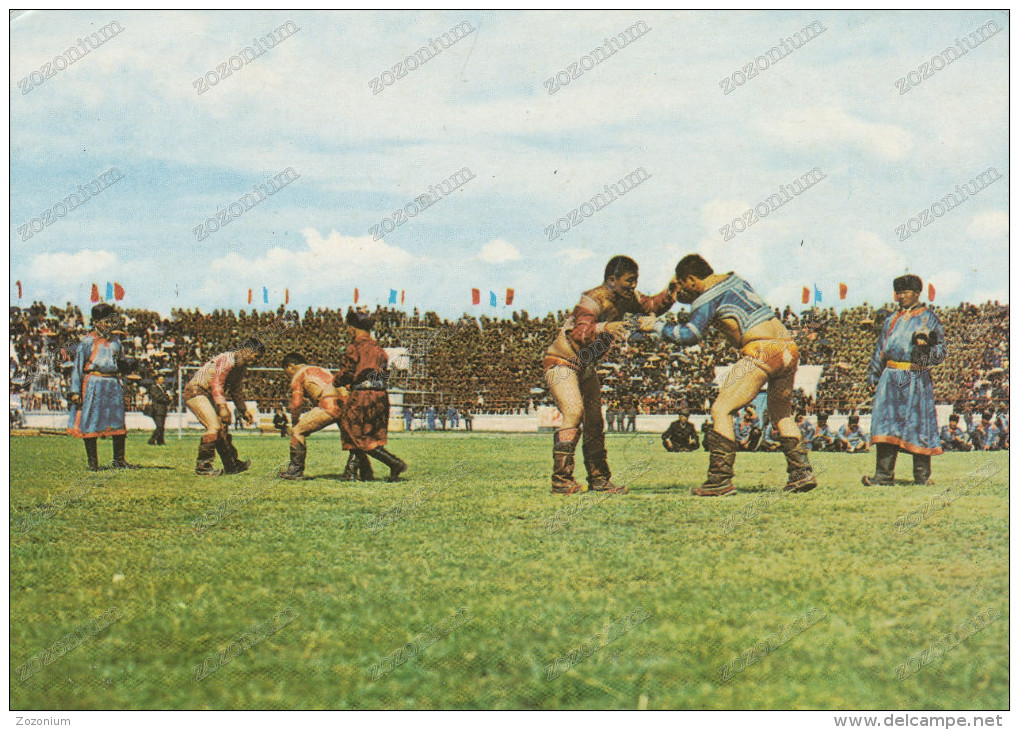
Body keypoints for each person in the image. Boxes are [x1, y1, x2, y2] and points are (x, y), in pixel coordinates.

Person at [640, 254, 817, 496]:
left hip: (763, 350)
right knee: (782, 415)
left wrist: (656, 326)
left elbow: (689, 335)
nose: (683, 291)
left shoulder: (706, 298)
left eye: (683, 284)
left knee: (721, 410)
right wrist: (676, 291)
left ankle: (719, 480)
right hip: (788, 347)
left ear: (691, 279)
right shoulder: (735, 280)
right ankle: (801, 472)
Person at [543, 255, 677, 494]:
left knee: (595, 423)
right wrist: (605, 327)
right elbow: (578, 333)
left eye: (636, 280)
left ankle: (599, 480)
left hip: (585, 367)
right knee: (574, 413)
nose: (634, 286)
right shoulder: (592, 299)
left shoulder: (629, 297)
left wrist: (671, 291)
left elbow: (652, 307)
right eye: (629, 281)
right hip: (561, 363)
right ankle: (561, 481)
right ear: (611, 280)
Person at [862, 274, 945, 486]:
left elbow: (941, 352)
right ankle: (883, 476)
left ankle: (921, 477)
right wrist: (873, 373)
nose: (900, 297)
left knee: (918, 425)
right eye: (898, 293)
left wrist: (926, 348)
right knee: (885, 425)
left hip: (915, 376)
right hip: (889, 378)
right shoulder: (891, 319)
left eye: (905, 292)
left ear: (916, 293)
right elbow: (880, 349)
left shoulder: (929, 317)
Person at [333, 310, 407, 482]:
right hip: (380, 395)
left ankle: (394, 463)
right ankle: (352, 472)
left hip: (362, 394)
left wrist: (335, 381)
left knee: (354, 432)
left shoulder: (354, 348)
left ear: (353, 328)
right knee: (367, 432)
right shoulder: (380, 350)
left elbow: (347, 373)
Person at [66, 303, 138, 470]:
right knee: (91, 421)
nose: (109, 325)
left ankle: (119, 461)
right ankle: (93, 463)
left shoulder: (116, 341)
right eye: (105, 321)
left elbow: (120, 363)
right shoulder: (87, 341)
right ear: (96, 322)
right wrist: (75, 392)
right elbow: (77, 367)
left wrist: (125, 374)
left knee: (117, 420)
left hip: (113, 383)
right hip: (94, 383)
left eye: (111, 321)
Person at [182, 338, 262, 476]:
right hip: (197, 391)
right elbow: (217, 383)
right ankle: (203, 466)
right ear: (247, 351)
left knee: (222, 430)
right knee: (214, 426)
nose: (257, 360)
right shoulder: (227, 359)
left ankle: (231, 464)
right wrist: (222, 406)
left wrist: (243, 410)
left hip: (208, 394)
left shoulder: (240, 367)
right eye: (256, 356)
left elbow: (236, 390)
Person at [278, 353, 346, 480]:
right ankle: (361, 470)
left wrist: (295, 421)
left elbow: (296, 403)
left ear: (291, 366)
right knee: (352, 440)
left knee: (297, 432)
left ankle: (295, 471)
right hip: (345, 403)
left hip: (328, 404)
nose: (288, 375)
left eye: (286, 371)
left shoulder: (298, 374)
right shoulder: (322, 369)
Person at [146, 374, 172, 446]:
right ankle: (152, 440)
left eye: (163, 379)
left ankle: (160, 441)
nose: (162, 381)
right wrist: (167, 398)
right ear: (156, 380)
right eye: (161, 379)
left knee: (162, 426)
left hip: (163, 409)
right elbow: (157, 397)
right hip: (157, 409)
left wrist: (169, 399)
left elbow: (166, 398)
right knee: (159, 426)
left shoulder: (164, 388)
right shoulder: (153, 387)